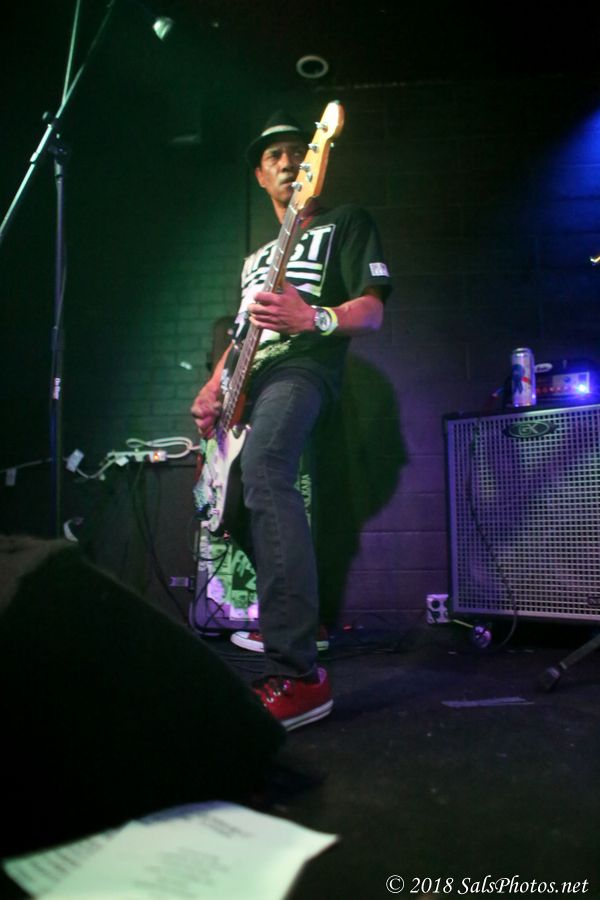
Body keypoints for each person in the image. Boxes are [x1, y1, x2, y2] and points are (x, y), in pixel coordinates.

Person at [191, 110, 392, 731]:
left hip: (304, 365)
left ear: (313, 161)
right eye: (272, 156)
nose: (285, 161)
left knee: (265, 469)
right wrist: (213, 386)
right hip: (247, 383)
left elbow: (373, 312)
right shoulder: (255, 258)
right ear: (259, 175)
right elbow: (244, 332)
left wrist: (315, 318)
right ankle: (299, 619)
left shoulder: (345, 221)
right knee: (231, 508)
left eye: (295, 151)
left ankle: (299, 674)